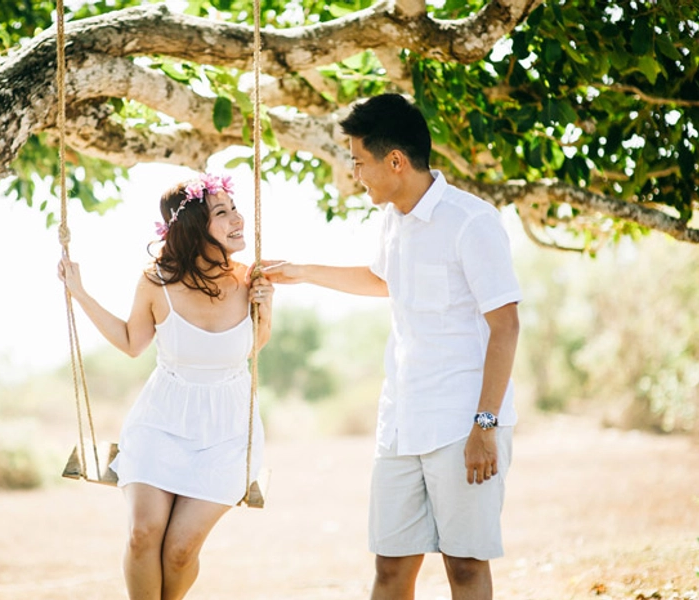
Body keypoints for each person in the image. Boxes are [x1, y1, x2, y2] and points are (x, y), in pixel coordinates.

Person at [262, 93, 522, 600]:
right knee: (390, 568)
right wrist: (300, 272)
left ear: (395, 161)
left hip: (462, 424)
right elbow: (383, 279)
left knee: (465, 567)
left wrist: (484, 426)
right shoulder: (392, 219)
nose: (355, 172)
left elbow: (506, 326)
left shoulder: (472, 222)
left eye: (359, 160)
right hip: (400, 422)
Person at [58, 172, 274, 600]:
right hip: (161, 423)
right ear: (195, 226)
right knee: (144, 534)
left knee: (178, 550)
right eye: (222, 212)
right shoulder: (157, 282)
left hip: (227, 432)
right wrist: (78, 293)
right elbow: (131, 343)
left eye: (235, 208)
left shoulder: (251, 278)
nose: (238, 219)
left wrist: (265, 311)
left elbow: (253, 348)